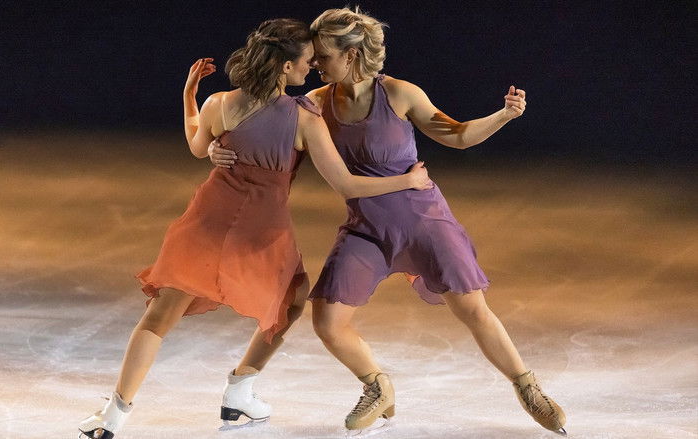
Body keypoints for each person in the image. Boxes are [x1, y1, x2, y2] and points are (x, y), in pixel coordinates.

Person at [209, 7, 567, 436]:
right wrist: (216, 149)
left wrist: (504, 115)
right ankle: (378, 386)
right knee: (327, 321)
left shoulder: (399, 94)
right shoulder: (315, 105)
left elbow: (457, 135)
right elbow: (264, 130)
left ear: (352, 54)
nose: (315, 64)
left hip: (424, 221)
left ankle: (526, 386)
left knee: (472, 308)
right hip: (367, 229)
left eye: (323, 56)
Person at [77, 18, 432, 439]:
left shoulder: (219, 104)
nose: (312, 66)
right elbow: (346, 184)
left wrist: (191, 98)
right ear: (284, 67)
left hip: (207, 219)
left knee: (159, 317)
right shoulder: (304, 118)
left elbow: (196, 146)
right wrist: (406, 181)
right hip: (262, 229)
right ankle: (241, 388)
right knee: (293, 300)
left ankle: (113, 418)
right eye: (305, 60)